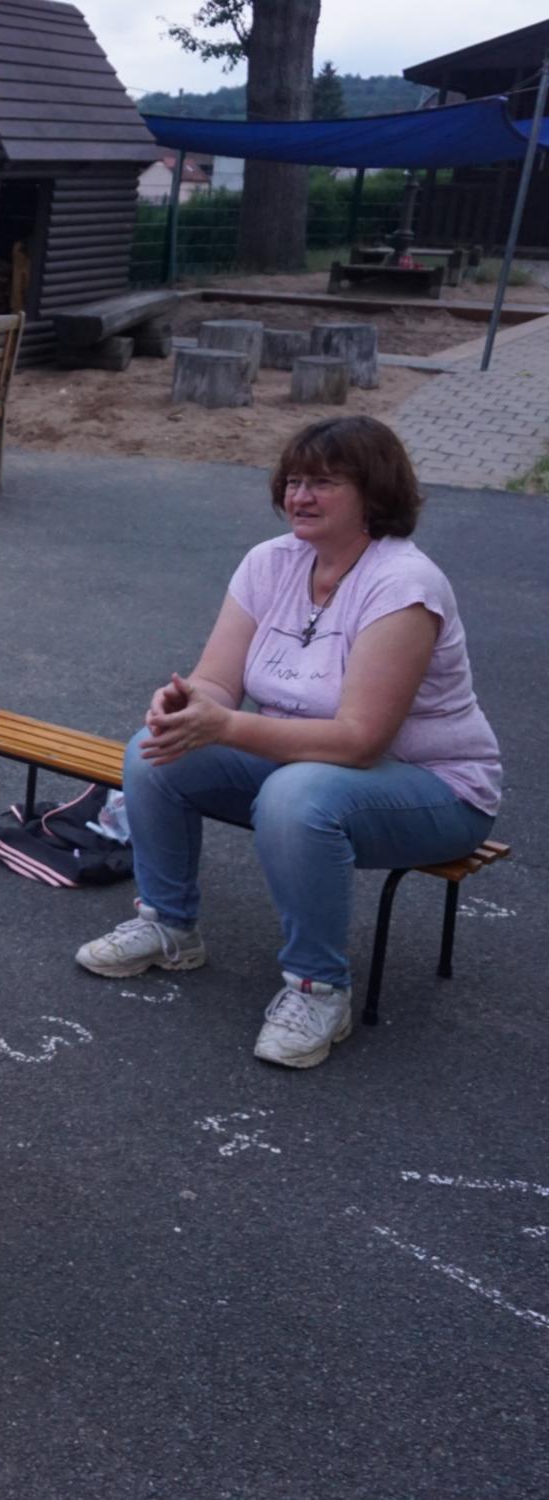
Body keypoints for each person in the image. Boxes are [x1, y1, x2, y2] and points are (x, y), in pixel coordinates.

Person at [76, 415, 501, 1069]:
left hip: (434, 788)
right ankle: (168, 926)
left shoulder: (404, 586)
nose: (300, 496)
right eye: (294, 480)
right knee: (154, 749)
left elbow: (361, 741)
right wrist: (188, 706)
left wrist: (228, 726)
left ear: (374, 493)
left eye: (324, 483)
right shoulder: (270, 563)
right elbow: (217, 680)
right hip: (307, 765)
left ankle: (318, 988)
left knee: (296, 795)